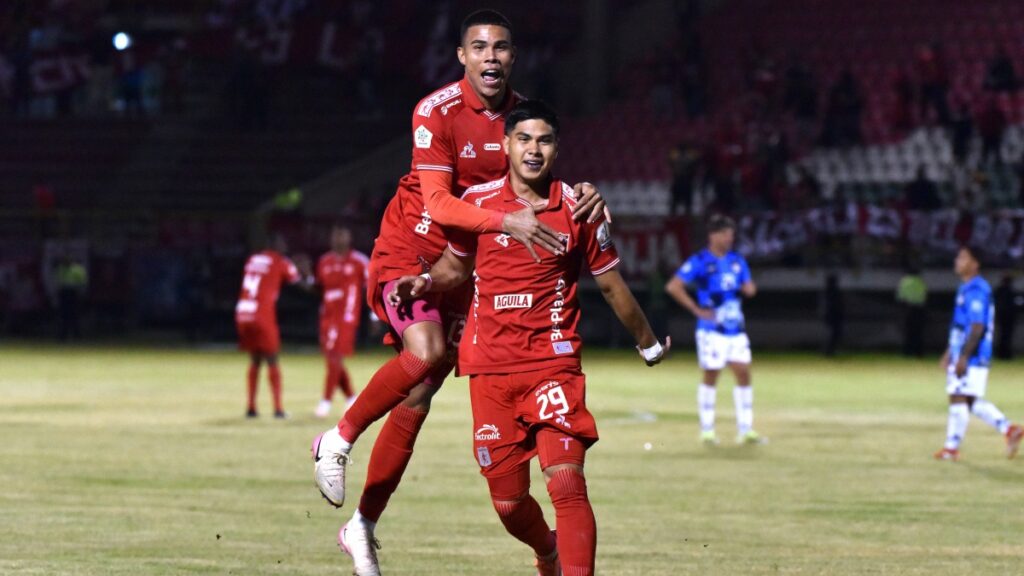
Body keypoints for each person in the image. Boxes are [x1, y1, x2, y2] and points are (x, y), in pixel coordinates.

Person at [310, 11, 607, 575]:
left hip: (463, 269)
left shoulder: (522, 121)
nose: (490, 57)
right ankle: (338, 437)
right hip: (411, 252)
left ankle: (363, 525)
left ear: (512, 58)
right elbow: (440, 205)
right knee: (425, 353)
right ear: (462, 57)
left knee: (418, 399)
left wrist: (586, 192)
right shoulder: (436, 110)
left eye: (500, 48)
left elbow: (544, 182)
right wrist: (507, 225)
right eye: (479, 47)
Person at [388, 99, 670, 576]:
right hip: (490, 371)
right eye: (524, 139)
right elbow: (456, 266)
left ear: (557, 149)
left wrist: (648, 341)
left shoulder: (580, 209)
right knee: (508, 503)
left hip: (552, 364)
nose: (533, 149)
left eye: (544, 140)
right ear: (506, 145)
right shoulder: (476, 203)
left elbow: (610, 283)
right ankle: (549, 553)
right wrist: (426, 282)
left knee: (567, 484)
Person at [665, 214, 764, 445]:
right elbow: (674, 286)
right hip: (711, 330)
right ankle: (707, 429)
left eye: (732, 234)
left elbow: (749, 288)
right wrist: (697, 310)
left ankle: (746, 428)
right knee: (712, 374)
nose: (731, 238)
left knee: (743, 372)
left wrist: (749, 287)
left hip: (735, 329)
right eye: (727, 234)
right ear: (714, 235)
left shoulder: (737, 261)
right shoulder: (700, 260)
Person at [934, 246, 1023, 461]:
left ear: (975, 264)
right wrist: (950, 352)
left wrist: (963, 356)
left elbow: (977, 326)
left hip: (973, 355)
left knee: (957, 396)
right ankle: (1009, 429)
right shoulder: (967, 288)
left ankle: (951, 448)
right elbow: (961, 326)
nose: (957, 260)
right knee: (970, 400)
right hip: (968, 353)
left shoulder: (976, 290)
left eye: (963, 257)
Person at [235, 234, 310, 418]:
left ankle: (251, 407)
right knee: (272, 359)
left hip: (243, 312)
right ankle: (278, 409)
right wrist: (306, 273)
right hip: (261, 314)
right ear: (275, 244)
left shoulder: (253, 259)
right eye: (282, 242)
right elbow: (300, 284)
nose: (285, 246)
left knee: (255, 359)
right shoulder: (280, 261)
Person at [315, 224, 371, 418]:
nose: (338, 239)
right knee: (333, 359)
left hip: (346, 316)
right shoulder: (324, 261)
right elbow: (318, 288)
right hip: (327, 317)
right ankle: (351, 399)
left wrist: (373, 315)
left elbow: (371, 288)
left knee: (335, 357)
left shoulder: (359, 261)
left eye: (342, 235)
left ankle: (325, 401)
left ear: (349, 238)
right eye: (335, 235)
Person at [896, 264, 928, 357]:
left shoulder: (905, 281)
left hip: (908, 309)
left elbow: (901, 297)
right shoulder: (921, 281)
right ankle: (919, 352)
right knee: (919, 332)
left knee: (908, 331)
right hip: (920, 309)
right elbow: (925, 296)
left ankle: (907, 352)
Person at [994, 274, 1019, 360]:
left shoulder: (1000, 291)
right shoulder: (1008, 291)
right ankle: (1004, 354)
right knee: (1005, 336)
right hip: (1007, 318)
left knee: (1004, 336)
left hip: (1004, 317)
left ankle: (1003, 353)